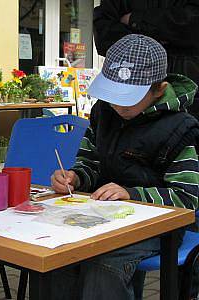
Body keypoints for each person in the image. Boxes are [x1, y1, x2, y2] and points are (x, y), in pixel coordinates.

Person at [51, 34, 199, 299]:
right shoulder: (103, 114)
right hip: (105, 218)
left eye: (129, 97)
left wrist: (132, 193)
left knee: (103, 265)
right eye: (113, 94)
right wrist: (75, 177)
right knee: (60, 256)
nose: (118, 105)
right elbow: (90, 161)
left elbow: (187, 198)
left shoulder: (180, 130)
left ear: (159, 89)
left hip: (158, 226)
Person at [92, 0, 199, 120]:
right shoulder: (105, 111)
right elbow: (104, 35)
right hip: (121, 84)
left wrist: (135, 20)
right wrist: (160, 34)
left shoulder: (183, 126)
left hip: (186, 82)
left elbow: (192, 25)